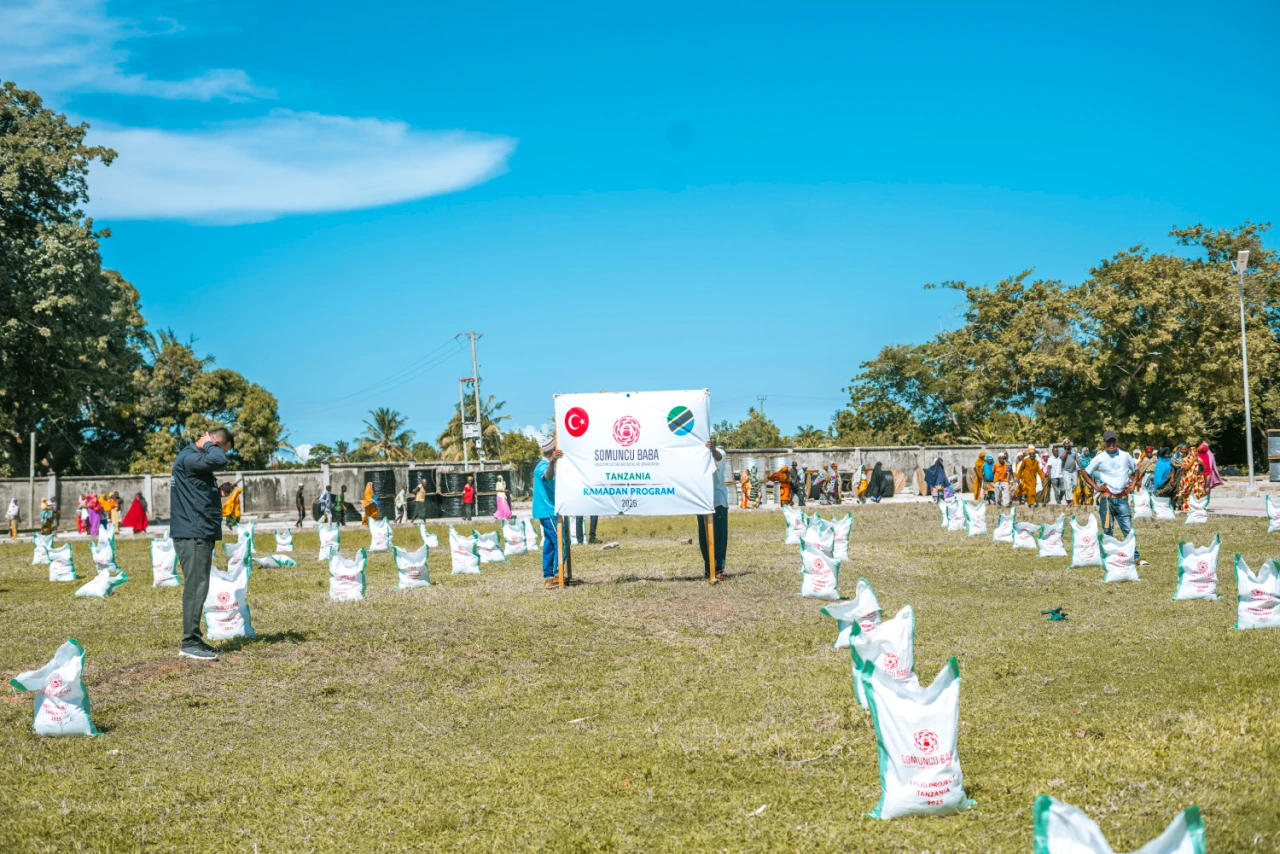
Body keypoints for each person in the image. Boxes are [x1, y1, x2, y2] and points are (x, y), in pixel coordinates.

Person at [171, 426, 234, 661]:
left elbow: (195, 492)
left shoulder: (193, 460)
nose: (221, 454)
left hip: (197, 530)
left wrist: (217, 492)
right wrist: (210, 444)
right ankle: (189, 642)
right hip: (193, 533)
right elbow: (219, 459)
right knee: (196, 586)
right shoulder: (190, 457)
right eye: (222, 448)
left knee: (199, 584)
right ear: (215, 443)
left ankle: (194, 639)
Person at [1083, 429, 1147, 566]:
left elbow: (1136, 470)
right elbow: (1085, 473)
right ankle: (1108, 556)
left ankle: (1135, 557)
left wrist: (1133, 485)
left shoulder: (1125, 455)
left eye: (1113, 441)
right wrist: (1096, 487)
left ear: (1116, 441)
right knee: (1107, 529)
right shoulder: (1099, 458)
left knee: (1128, 528)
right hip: (1106, 499)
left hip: (1122, 498)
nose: (1111, 444)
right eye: (1108, 441)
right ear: (1104, 442)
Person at [532, 436, 578, 589]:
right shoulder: (542, 466)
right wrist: (552, 462)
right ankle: (558, 573)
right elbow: (548, 476)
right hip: (547, 510)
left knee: (551, 543)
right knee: (562, 540)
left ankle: (548, 577)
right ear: (552, 450)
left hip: (552, 509)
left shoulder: (552, 465)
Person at [699, 440, 730, 580]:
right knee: (704, 537)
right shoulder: (697, 455)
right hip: (702, 501)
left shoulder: (719, 452)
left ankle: (718, 569)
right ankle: (708, 567)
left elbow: (718, 457)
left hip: (718, 501)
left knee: (719, 537)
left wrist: (712, 450)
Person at [1060, 441, 1079, 505]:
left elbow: (1077, 459)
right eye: (1066, 443)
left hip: (1073, 470)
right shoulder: (1061, 450)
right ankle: (1069, 500)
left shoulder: (1074, 450)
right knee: (1068, 484)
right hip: (1065, 470)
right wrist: (1066, 451)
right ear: (1064, 445)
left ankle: (1068, 494)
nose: (1067, 444)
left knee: (1075, 484)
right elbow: (1062, 458)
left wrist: (1081, 467)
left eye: (1068, 443)